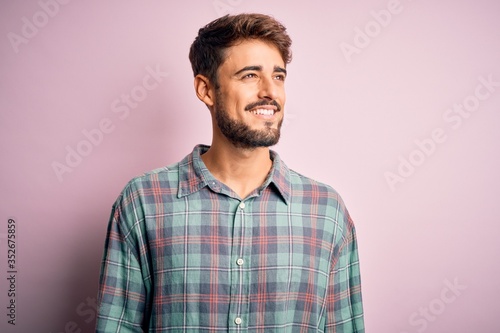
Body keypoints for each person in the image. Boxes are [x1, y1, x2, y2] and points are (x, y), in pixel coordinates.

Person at [96, 13, 364, 332]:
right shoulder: (142, 203)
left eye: (278, 76)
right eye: (250, 75)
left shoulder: (327, 212)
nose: (270, 92)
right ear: (207, 90)